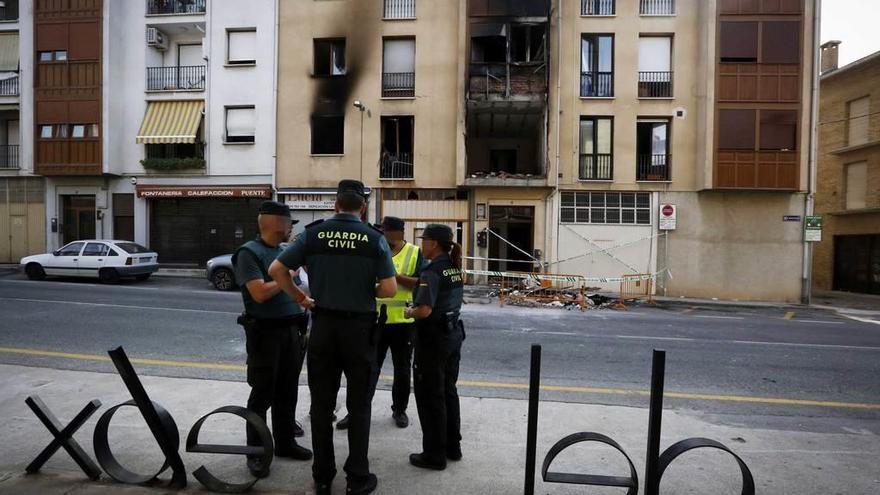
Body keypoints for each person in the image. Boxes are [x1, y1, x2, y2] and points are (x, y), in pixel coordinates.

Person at [269, 180, 396, 495]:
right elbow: (390, 289)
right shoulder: (373, 239)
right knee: (359, 405)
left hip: (324, 327)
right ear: (362, 208)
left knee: (321, 405)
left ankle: (323, 476)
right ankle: (357, 478)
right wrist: (366, 289)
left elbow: (276, 269)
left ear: (336, 205)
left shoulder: (313, 234)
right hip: (359, 331)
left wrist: (300, 297)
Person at [232, 201, 313, 478]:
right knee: (262, 394)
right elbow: (260, 294)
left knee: (287, 392)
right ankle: (255, 453)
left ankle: (285, 444)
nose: (291, 228)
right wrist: (286, 273)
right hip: (265, 333)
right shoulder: (248, 253)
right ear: (277, 223)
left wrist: (304, 303)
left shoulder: (282, 252)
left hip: (292, 331)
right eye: (290, 223)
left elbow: (296, 292)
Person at [337, 216, 424, 430]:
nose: (384, 236)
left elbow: (421, 281)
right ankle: (358, 411)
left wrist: (395, 277)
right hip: (375, 320)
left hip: (403, 322)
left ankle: (399, 410)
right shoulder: (374, 248)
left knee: (402, 369)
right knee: (367, 369)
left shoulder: (414, 252)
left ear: (399, 233)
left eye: (387, 232)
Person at [405, 224, 465, 471]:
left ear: (434, 243)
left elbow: (424, 310)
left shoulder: (432, 272)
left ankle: (434, 454)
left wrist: (410, 311)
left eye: (424, 239)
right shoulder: (453, 268)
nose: (422, 244)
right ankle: (453, 446)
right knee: (448, 391)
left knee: (430, 397)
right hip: (452, 336)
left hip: (433, 340)